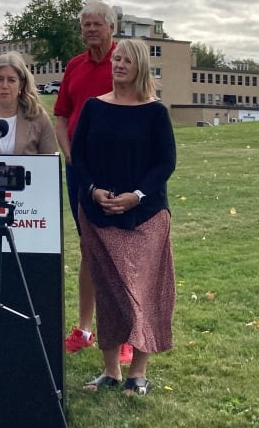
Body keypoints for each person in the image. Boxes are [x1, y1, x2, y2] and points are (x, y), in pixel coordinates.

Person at [70, 38, 177, 395]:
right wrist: (92, 191)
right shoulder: (93, 108)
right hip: (99, 213)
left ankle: (139, 373)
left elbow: (165, 163)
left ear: (140, 67)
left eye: (126, 61)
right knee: (110, 293)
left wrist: (136, 196)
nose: (118, 65)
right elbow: (79, 158)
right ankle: (112, 371)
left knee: (143, 291)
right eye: (116, 59)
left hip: (145, 215)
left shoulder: (155, 112)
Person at [54, 0, 133, 362]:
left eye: (96, 24)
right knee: (89, 246)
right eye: (85, 24)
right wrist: (71, 157)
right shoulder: (74, 66)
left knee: (118, 250)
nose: (89, 30)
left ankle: (125, 332)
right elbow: (61, 116)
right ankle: (85, 329)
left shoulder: (124, 62)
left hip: (117, 172)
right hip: (80, 173)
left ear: (112, 28)